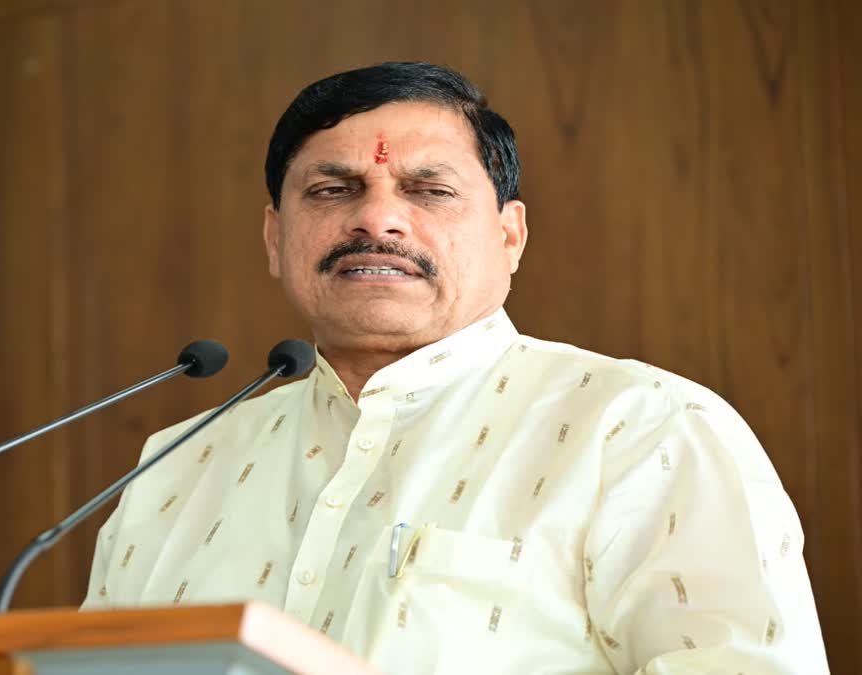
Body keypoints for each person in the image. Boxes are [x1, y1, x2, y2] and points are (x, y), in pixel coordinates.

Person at [81, 62, 829, 674]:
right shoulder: (177, 468)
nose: (378, 219)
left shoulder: (642, 429)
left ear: (510, 235)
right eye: (333, 190)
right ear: (277, 238)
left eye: (429, 190)